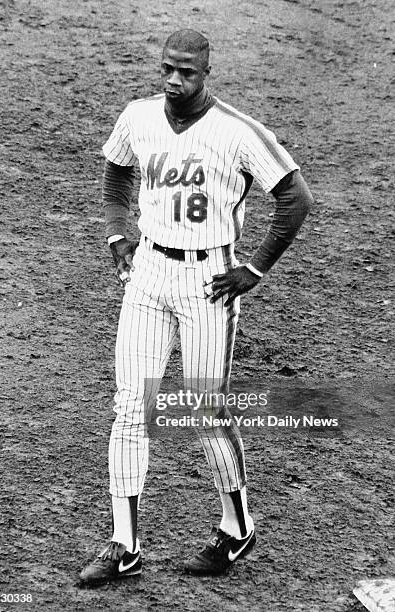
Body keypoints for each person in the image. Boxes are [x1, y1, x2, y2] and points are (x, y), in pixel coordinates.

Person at [79, 29, 313, 586]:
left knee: (206, 409)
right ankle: (124, 544)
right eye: (167, 69)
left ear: (205, 73)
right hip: (148, 274)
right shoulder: (137, 116)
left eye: (186, 72)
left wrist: (253, 268)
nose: (174, 80)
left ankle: (237, 528)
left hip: (209, 280)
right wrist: (118, 236)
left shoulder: (237, 132)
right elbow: (116, 171)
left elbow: (295, 196)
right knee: (132, 405)